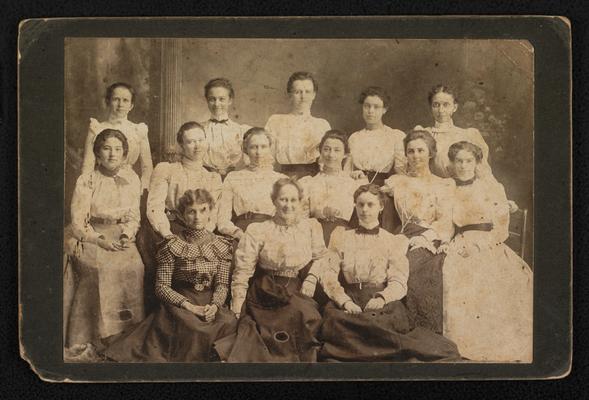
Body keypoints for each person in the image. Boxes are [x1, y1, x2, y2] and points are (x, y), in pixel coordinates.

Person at [318, 184, 461, 362]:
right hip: (350, 299)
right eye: (360, 204)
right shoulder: (341, 237)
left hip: (380, 301)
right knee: (338, 322)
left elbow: (399, 281)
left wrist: (382, 298)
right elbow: (328, 275)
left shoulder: (393, 241)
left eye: (370, 204)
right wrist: (345, 301)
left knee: (377, 326)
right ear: (354, 206)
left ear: (381, 207)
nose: (364, 210)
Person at [98, 189, 238, 362]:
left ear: (210, 211)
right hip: (180, 302)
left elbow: (222, 284)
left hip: (209, 300)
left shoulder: (221, 245)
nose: (197, 217)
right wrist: (190, 307)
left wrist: (215, 305)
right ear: (181, 215)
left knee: (229, 323)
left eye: (203, 210)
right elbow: (162, 287)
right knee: (194, 328)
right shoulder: (172, 245)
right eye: (191, 211)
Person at [215, 178, 328, 362]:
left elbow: (322, 256)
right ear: (273, 200)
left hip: (297, 289)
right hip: (265, 290)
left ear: (300, 201)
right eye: (283, 199)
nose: (288, 205)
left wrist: (312, 278)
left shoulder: (310, 227)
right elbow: (243, 271)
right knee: (260, 330)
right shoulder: (258, 229)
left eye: (293, 200)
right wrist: (237, 306)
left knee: (305, 315)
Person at [443, 141, 533, 362]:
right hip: (460, 241)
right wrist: (446, 242)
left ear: (477, 163)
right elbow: (445, 223)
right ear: (452, 163)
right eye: (459, 161)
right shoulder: (447, 188)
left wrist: (481, 245)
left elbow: (501, 227)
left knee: (497, 279)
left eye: (468, 161)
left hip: (489, 242)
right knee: (454, 274)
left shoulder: (492, 188)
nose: (463, 166)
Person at [64, 129, 145, 354]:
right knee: (101, 269)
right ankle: (99, 337)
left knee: (134, 266)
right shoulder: (87, 180)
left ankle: (126, 335)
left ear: (124, 154)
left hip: (120, 235)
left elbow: (133, 216)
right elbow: (78, 221)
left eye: (118, 149)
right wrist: (99, 240)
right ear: (98, 153)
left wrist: (126, 235)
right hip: (93, 235)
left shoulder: (131, 178)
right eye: (107, 148)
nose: (112, 154)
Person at [381, 130, 455, 334]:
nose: (416, 156)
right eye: (411, 151)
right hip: (402, 235)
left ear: (431, 153)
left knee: (414, 270)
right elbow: (372, 198)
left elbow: (445, 220)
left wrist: (425, 237)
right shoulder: (396, 181)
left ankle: (422, 333)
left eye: (421, 150)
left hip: (431, 237)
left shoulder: (443, 184)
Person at [147, 121, 222, 239]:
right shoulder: (166, 170)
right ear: (181, 145)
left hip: (202, 232)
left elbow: (213, 214)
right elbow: (155, 207)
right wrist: (166, 233)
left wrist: (202, 235)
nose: (197, 146)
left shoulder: (212, 177)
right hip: (172, 228)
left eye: (201, 140)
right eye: (191, 142)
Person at [346, 87, 405, 233]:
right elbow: (346, 171)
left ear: (384, 109)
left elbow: (402, 172)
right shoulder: (354, 138)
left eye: (376, 107)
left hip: (382, 189)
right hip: (358, 188)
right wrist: (354, 174)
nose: (370, 111)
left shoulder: (395, 136)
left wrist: (391, 186)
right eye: (367, 106)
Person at [299, 130, 368, 245]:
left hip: (345, 238)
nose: (331, 155)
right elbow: (302, 218)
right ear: (320, 151)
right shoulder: (309, 183)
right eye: (326, 149)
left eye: (337, 150)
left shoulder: (353, 183)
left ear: (345, 154)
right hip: (314, 237)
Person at [216, 127, 287, 240]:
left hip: (272, 234)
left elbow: (288, 217)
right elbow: (222, 219)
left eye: (263, 147)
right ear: (245, 149)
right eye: (254, 147)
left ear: (269, 148)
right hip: (243, 233)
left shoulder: (281, 179)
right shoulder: (233, 177)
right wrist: (238, 234)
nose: (259, 152)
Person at [81, 82, 153, 192]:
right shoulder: (97, 129)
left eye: (125, 100)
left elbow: (147, 167)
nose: (120, 104)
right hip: (101, 184)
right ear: (108, 102)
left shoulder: (138, 130)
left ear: (131, 105)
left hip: (130, 184)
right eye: (116, 99)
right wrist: (86, 190)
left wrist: (144, 190)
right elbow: (88, 165)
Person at [414, 84, 492, 180]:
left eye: (446, 105)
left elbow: (483, 172)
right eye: (436, 105)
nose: (441, 110)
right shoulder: (423, 134)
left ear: (454, 107)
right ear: (431, 107)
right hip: (433, 189)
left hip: (463, 191)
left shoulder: (468, 135)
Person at [265, 71, 331, 179]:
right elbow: (267, 158)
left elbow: (327, 162)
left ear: (314, 95)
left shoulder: (322, 125)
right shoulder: (276, 122)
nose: (303, 97)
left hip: (315, 179)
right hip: (284, 178)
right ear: (290, 95)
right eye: (297, 92)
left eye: (307, 92)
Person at [199, 78, 251, 178]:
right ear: (207, 101)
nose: (217, 104)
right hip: (204, 180)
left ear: (230, 100)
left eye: (221, 99)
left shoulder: (241, 131)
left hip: (233, 180)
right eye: (212, 99)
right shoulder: (199, 130)